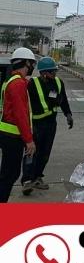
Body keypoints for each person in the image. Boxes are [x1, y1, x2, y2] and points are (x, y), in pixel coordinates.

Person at [20, 57, 73, 195]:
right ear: (43, 73)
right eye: (51, 72)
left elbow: (63, 100)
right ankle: (27, 180)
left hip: (50, 124)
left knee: (44, 153)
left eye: (55, 71)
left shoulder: (58, 82)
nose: (54, 74)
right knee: (31, 152)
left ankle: (37, 177)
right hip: (36, 125)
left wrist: (68, 114)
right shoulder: (32, 84)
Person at [0, 47, 36, 202]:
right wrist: (29, 140)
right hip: (12, 136)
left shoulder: (11, 81)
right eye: (32, 63)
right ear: (26, 63)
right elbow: (20, 114)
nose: (33, 67)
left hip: (8, 134)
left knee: (8, 174)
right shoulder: (18, 84)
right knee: (9, 175)